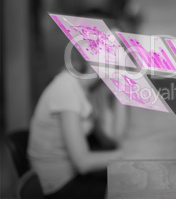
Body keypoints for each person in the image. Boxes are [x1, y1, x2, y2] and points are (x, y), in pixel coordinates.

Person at [28, 45, 127, 199]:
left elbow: (114, 137)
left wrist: (121, 91)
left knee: (131, 178)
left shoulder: (86, 89)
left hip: (73, 176)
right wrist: (124, 156)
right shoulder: (66, 88)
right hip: (58, 186)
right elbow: (82, 163)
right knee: (130, 186)